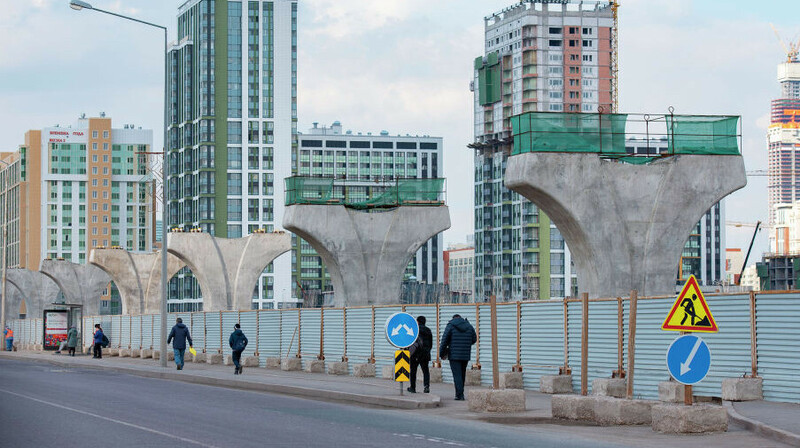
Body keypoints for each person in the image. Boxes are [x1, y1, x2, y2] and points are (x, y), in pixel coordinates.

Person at [439, 314, 476, 401]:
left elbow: (444, 340)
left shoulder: (451, 325)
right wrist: (466, 344)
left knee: (457, 375)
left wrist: (441, 353)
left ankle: (460, 395)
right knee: (462, 374)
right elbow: (474, 339)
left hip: (454, 354)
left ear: (453, 318)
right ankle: (459, 393)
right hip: (465, 354)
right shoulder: (469, 326)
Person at [407, 315, 433, 394]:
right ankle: (426, 387)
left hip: (415, 354)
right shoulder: (428, 330)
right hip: (425, 353)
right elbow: (431, 343)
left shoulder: (415, 330)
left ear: (417, 322)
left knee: (413, 371)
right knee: (425, 371)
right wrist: (427, 351)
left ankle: (413, 387)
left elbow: (411, 342)